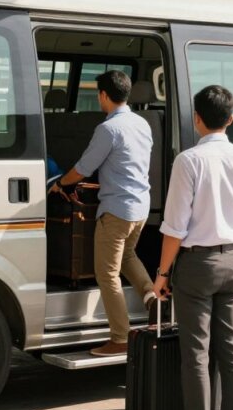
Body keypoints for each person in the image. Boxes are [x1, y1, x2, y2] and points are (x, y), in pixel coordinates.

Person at [153, 85, 233, 410]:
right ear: (231, 119)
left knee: (196, 354)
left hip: (196, 264)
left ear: (196, 118)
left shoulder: (188, 161)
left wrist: (162, 274)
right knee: (232, 349)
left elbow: (175, 227)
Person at [47, 70, 156, 357]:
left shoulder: (108, 129)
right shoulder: (142, 124)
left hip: (117, 210)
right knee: (128, 255)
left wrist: (60, 184)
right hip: (140, 207)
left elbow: (83, 169)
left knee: (106, 274)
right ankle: (151, 296)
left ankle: (120, 338)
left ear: (104, 95)